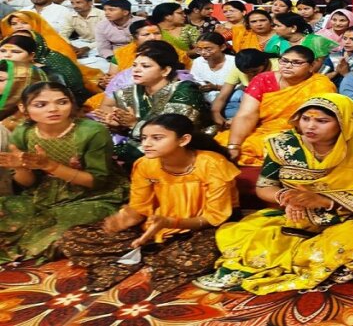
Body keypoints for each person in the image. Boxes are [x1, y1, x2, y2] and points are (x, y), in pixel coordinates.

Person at [196, 95, 353, 293]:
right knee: (256, 240)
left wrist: (325, 202)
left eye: (322, 121)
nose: (310, 126)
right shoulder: (283, 145)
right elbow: (264, 187)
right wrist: (287, 197)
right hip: (296, 217)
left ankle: (307, 265)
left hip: (348, 218)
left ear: (344, 123)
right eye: (305, 119)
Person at [60, 114, 238, 292]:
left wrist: (170, 222)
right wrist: (125, 218)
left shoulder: (212, 164)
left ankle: (152, 253)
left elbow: (213, 217)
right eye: (144, 138)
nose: (146, 144)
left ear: (183, 140)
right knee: (72, 238)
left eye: (157, 138)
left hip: (202, 228)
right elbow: (140, 207)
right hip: (156, 227)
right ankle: (155, 253)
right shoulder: (145, 164)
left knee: (199, 255)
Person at [0, 83, 127, 263]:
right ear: (23, 108)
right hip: (43, 196)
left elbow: (96, 182)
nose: (53, 109)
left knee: (60, 234)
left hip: (92, 196)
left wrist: (50, 166)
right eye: (41, 104)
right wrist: (20, 167)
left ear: (72, 103)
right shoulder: (23, 133)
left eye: (62, 102)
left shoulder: (92, 131)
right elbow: (28, 184)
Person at [217, 45, 336, 167]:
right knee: (225, 144)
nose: (288, 66)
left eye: (296, 62)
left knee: (281, 148)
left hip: (300, 134)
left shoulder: (321, 85)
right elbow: (246, 114)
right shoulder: (262, 80)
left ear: (311, 66)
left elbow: (319, 120)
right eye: (284, 60)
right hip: (262, 129)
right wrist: (234, 145)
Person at [95, 43, 211, 167]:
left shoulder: (184, 90)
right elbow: (125, 124)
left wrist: (134, 124)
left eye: (145, 66)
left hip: (182, 144)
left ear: (165, 70)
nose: (136, 70)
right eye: (134, 65)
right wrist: (118, 125)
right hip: (142, 140)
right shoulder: (130, 92)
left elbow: (175, 131)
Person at [0, 33, 91, 106]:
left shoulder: (46, 74)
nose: (7, 55)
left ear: (31, 56)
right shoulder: (2, 70)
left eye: (16, 52)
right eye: (2, 51)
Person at [264, 12, 337, 62]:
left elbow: (319, 64)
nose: (274, 28)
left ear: (293, 28)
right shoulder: (276, 40)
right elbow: (270, 61)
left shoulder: (317, 41)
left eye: (278, 26)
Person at [190, 32, 236, 104]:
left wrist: (216, 87)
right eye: (199, 49)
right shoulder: (198, 61)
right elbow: (195, 80)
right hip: (202, 100)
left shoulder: (234, 62)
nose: (203, 53)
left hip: (229, 100)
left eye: (208, 49)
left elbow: (241, 87)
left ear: (222, 47)